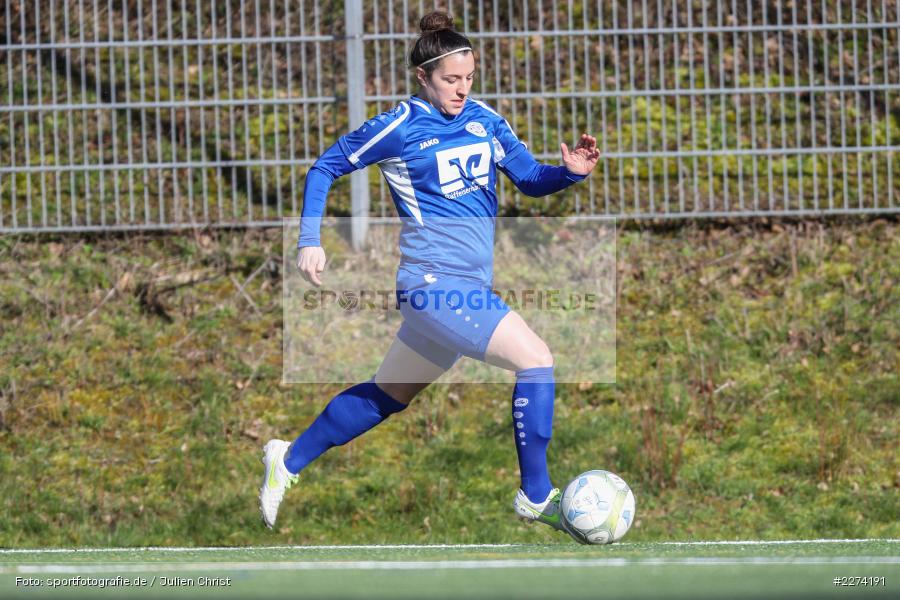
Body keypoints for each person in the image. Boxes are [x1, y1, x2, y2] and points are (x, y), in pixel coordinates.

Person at [259, 11, 600, 533]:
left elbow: (529, 178)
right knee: (536, 360)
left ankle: (286, 459)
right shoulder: (399, 126)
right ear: (423, 78)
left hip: (463, 288)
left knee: (386, 395)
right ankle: (536, 495)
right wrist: (309, 240)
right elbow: (325, 166)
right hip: (432, 287)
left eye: (468, 78)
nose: (462, 90)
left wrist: (567, 174)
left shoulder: (485, 119)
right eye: (450, 80)